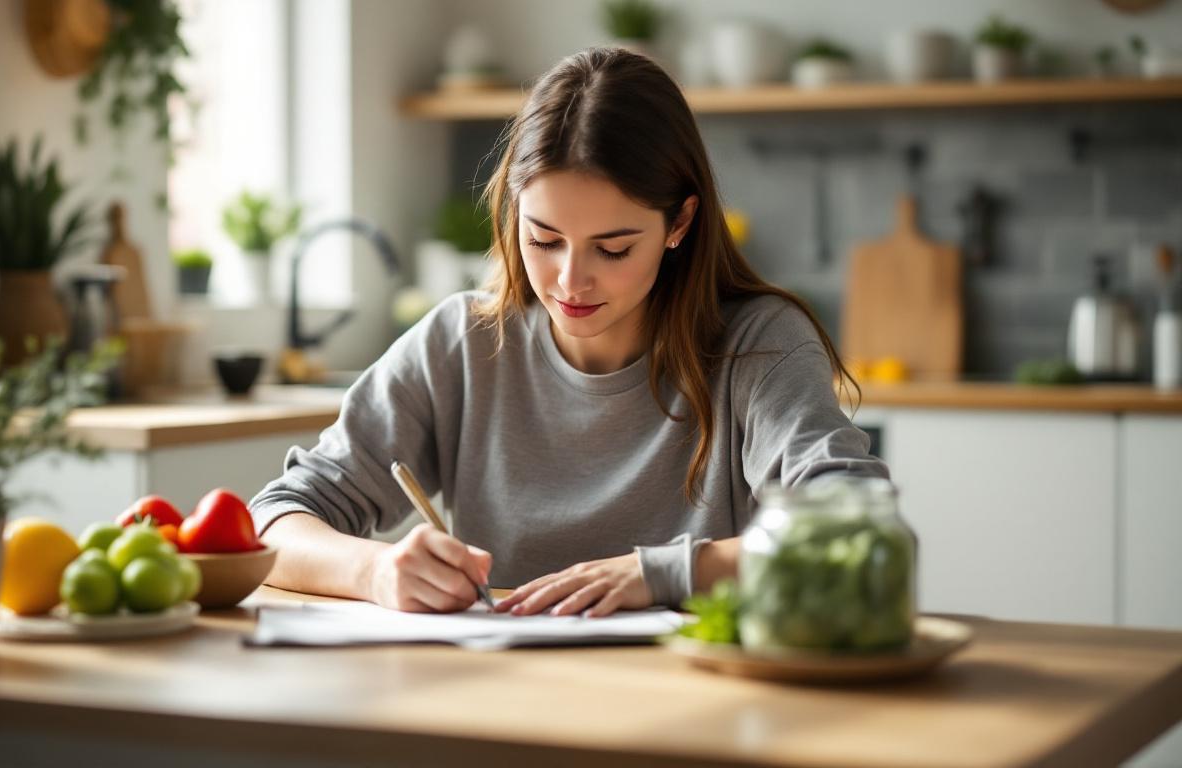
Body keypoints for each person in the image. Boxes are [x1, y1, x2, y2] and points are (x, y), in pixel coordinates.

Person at [249, 47, 887, 618]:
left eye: (612, 249)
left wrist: (664, 572)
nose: (569, 281)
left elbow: (864, 537)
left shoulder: (760, 345)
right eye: (543, 240)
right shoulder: (463, 341)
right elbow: (271, 521)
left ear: (680, 222)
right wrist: (376, 570)